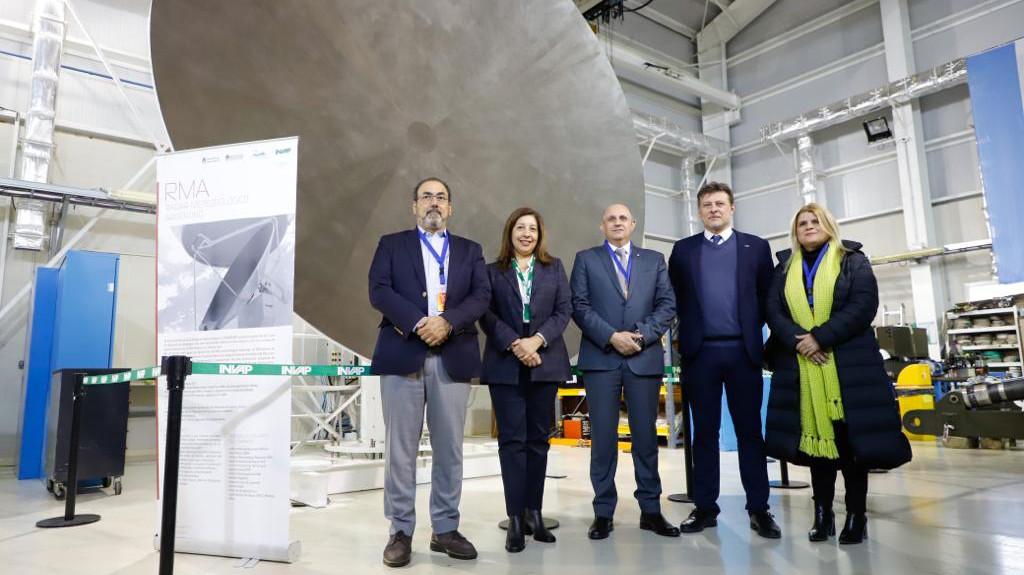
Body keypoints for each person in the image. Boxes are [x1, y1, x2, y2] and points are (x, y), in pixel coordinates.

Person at [764, 203, 911, 544]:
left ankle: (856, 516)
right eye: (802, 223)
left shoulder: (853, 260)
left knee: (851, 445)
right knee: (818, 447)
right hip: (803, 366)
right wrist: (800, 341)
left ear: (828, 225)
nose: (809, 226)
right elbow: (773, 310)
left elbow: (863, 305)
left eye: (815, 221)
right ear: (795, 231)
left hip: (848, 365)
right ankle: (823, 514)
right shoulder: (784, 267)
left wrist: (820, 338)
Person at [367, 177, 490, 568]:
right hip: (403, 352)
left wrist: (447, 322)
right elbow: (379, 290)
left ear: (450, 207)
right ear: (414, 206)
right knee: (400, 451)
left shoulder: (470, 250)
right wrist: (420, 322)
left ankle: (445, 528)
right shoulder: (391, 244)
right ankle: (400, 531)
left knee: (450, 449)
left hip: (453, 355)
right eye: (426, 197)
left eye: (441, 197)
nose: (433, 202)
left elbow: (481, 296)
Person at [667, 181, 781, 538]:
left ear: (731, 208)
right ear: (699, 211)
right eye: (707, 205)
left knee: (750, 432)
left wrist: (756, 333)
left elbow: (768, 297)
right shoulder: (683, 251)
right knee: (704, 433)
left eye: (719, 203)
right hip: (700, 354)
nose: (714, 209)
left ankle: (759, 508)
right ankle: (705, 507)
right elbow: (673, 298)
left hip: (742, 352)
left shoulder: (756, 248)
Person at [570, 203, 678, 540]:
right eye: (611, 219)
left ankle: (651, 510)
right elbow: (579, 306)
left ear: (633, 224)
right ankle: (603, 513)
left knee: (645, 438)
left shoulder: (654, 260)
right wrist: (611, 336)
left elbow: (667, 305)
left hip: (642, 358)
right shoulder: (586, 259)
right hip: (601, 359)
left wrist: (641, 336)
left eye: (623, 218)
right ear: (602, 226)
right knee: (603, 439)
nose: (617, 223)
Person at [480, 207, 571, 553]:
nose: (526, 234)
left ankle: (535, 513)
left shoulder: (554, 268)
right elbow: (486, 314)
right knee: (512, 442)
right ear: (510, 232)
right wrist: (516, 344)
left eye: (532, 228)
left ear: (539, 234)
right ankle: (515, 518)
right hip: (506, 362)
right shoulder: (492, 271)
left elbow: (564, 310)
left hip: (545, 361)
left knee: (538, 441)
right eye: (520, 228)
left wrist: (537, 341)